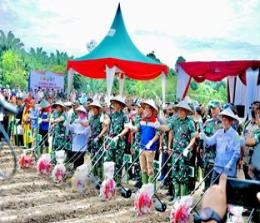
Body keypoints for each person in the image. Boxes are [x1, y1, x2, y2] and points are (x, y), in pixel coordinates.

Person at [163, 100, 196, 198]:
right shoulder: (175, 121)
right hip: (175, 152)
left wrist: (188, 148)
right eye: (179, 111)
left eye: (182, 111)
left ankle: (183, 198)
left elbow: (193, 137)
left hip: (184, 153)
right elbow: (168, 129)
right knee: (174, 175)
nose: (180, 112)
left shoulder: (190, 122)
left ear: (186, 111)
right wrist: (158, 126)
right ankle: (176, 197)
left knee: (183, 176)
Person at [199, 108, 241, 184]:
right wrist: (204, 136)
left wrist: (229, 164)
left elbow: (237, 153)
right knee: (213, 189)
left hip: (229, 171)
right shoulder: (219, 132)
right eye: (223, 120)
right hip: (217, 168)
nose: (223, 122)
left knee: (226, 193)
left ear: (231, 121)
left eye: (225, 120)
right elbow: (210, 142)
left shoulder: (236, 135)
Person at [106, 96, 129, 186]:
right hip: (111, 140)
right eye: (113, 103)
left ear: (120, 105)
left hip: (119, 142)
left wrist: (118, 136)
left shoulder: (124, 116)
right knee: (109, 161)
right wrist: (108, 139)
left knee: (118, 162)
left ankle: (117, 182)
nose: (114, 105)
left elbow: (126, 129)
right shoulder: (112, 115)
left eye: (116, 103)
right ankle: (109, 180)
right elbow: (110, 127)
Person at [203, 100, 223, 189]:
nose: (212, 110)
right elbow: (203, 137)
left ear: (220, 108)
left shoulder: (224, 124)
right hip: (207, 158)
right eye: (211, 108)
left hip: (218, 160)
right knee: (206, 182)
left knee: (215, 186)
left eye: (214, 108)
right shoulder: (208, 122)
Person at [88, 101, 109, 179]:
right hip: (92, 140)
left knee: (99, 160)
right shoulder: (92, 117)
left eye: (95, 108)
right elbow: (90, 127)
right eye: (93, 108)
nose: (94, 110)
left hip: (99, 141)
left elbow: (105, 128)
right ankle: (94, 176)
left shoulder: (102, 117)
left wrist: (99, 136)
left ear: (98, 109)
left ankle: (100, 178)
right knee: (93, 158)